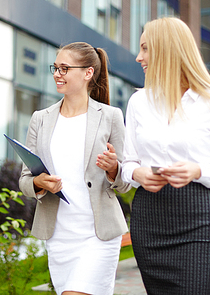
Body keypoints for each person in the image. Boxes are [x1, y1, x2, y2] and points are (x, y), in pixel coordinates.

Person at [121, 17, 210, 295]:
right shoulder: (138, 102)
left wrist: (198, 171)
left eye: (145, 48)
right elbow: (129, 162)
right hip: (148, 221)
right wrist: (137, 173)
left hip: (197, 222)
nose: (139, 57)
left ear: (167, 49)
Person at [19, 42, 130, 295]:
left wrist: (114, 169)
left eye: (65, 68)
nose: (57, 74)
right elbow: (25, 180)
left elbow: (125, 183)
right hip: (59, 236)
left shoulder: (111, 116)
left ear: (88, 73)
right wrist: (39, 183)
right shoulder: (41, 119)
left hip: (98, 235)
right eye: (55, 68)